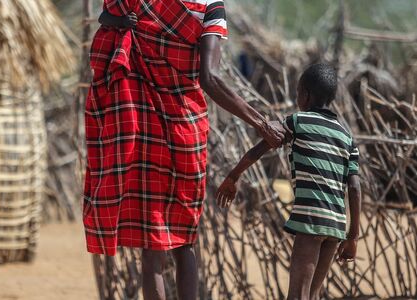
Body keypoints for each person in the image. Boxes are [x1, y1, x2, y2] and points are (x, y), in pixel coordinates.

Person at [83, 1, 285, 300]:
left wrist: (128, 24)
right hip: (185, 133)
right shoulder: (210, 8)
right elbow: (210, 78)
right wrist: (260, 122)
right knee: (184, 242)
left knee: (153, 249)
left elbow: (106, 16)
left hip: (144, 128)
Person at [216, 63, 362, 300]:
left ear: (305, 95)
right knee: (312, 295)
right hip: (336, 224)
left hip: (310, 218)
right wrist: (353, 236)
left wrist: (233, 176)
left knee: (297, 295)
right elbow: (354, 189)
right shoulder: (347, 137)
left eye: (297, 94)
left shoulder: (297, 121)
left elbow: (258, 151)